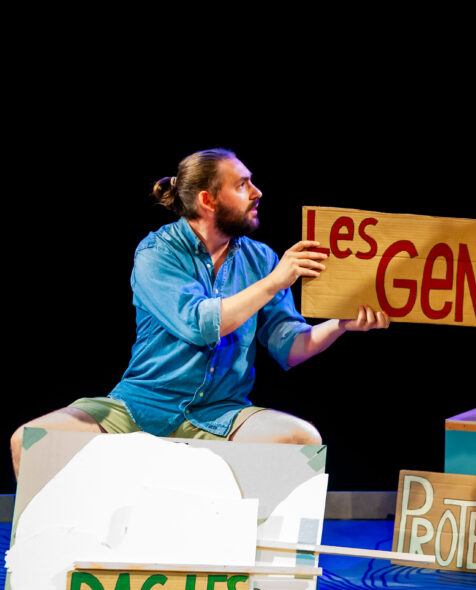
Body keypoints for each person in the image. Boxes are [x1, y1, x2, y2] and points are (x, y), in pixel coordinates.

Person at [10, 148, 390, 477]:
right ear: (208, 200)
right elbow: (200, 323)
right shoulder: (157, 252)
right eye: (242, 185)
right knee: (30, 441)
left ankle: (253, 543)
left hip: (220, 414)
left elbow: (290, 346)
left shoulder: (261, 259)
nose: (257, 192)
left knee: (302, 439)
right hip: (142, 407)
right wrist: (275, 281)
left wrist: (340, 324)